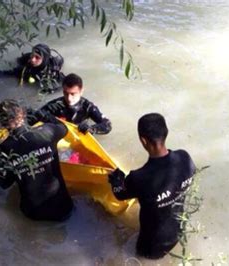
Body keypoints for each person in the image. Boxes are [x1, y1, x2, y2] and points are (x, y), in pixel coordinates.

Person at [108, 113, 196, 259]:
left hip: (153, 244)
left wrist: (116, 181)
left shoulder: (139, 177)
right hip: (179, 230)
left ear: (143, 141)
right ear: (166, 133)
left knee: (138, 258)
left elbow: (120, 195)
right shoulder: (184, 157)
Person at [0, 99, 73, 221]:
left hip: (32, 213)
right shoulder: (47, 131)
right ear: (23, 114)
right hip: (63, 207)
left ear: (2, 123)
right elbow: (64, 128)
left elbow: (4, 183)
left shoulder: (3, 148)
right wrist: (42, 115)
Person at [28, 73, 112, 135]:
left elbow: (107, 125)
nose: (69, 98)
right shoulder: (55, 106)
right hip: (60, 133)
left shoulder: (87, 106)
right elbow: (32, 119)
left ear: (81, 91)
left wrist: (91, 129)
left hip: (79, 132)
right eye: (65, 93)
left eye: (73, 94)